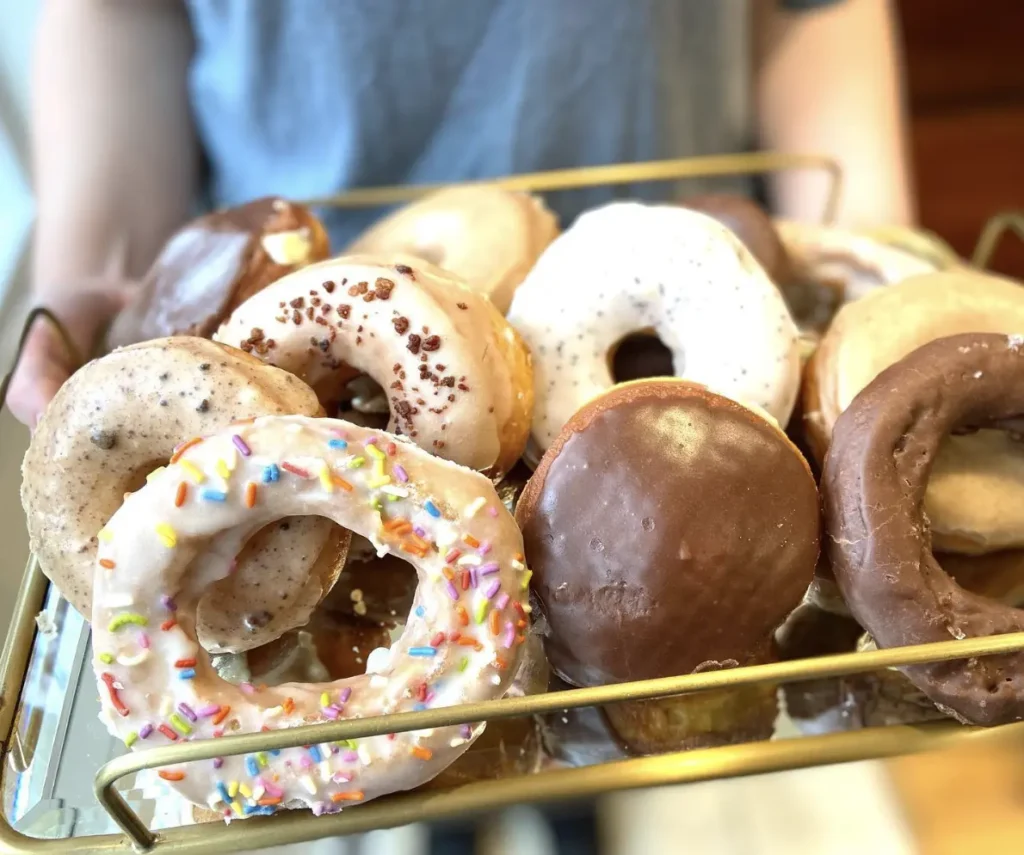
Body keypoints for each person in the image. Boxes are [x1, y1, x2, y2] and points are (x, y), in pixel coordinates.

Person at [9, 0, 914, 431]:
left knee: (631, 594)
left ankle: (570, 805)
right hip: (301, 348)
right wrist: (105, 274)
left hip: (706, 303)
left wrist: (875, 259)